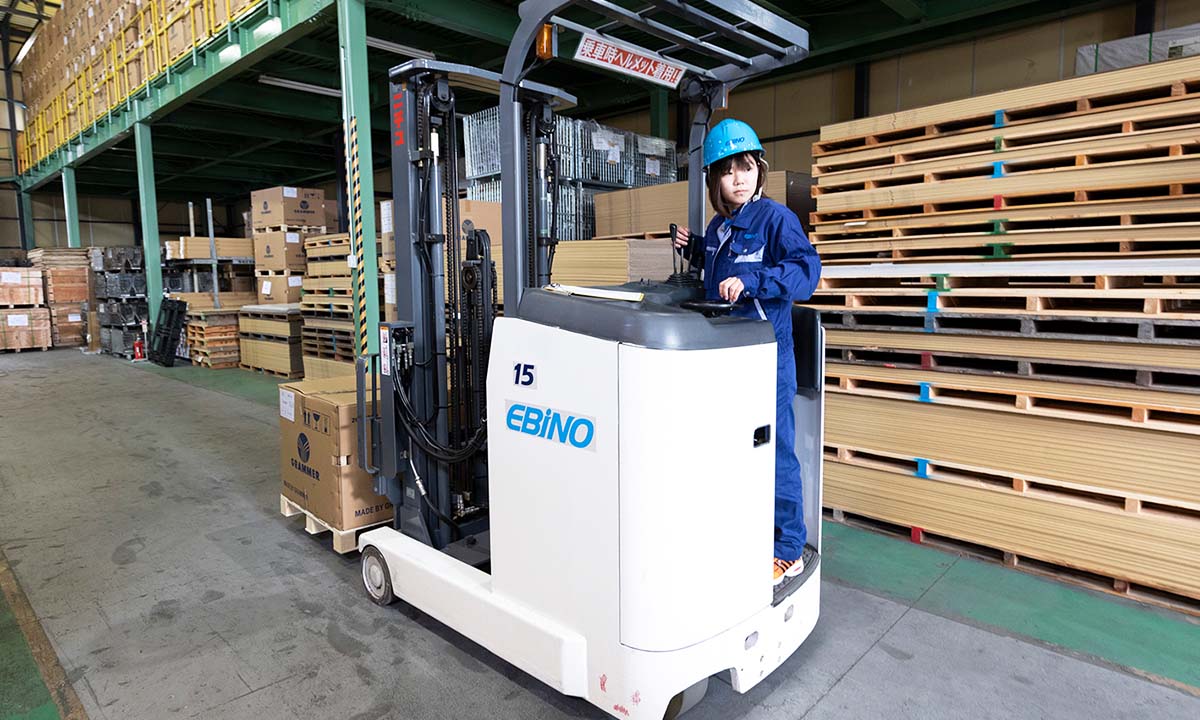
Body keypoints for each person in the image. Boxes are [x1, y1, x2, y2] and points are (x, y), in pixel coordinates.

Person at [674, 118, 822, 586]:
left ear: (759, 168)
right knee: (732, 450)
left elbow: (806, 273)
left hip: (766, 358)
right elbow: (724, 270)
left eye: (745, 167)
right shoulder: (720, 227)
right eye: (727, 171)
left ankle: (788, 548)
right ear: (715, 182)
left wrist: (755, 280)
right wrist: (696, 249)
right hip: (726, 360)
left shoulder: (776, 219)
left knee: (775, 451)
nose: (738, 178)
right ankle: (743, 531)